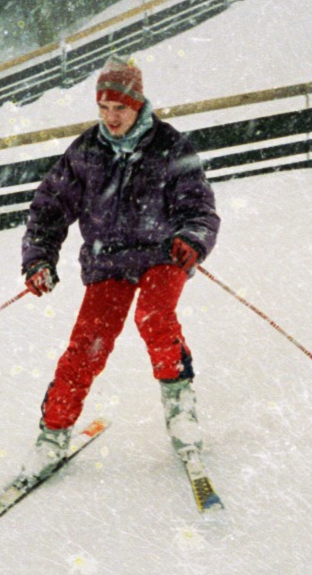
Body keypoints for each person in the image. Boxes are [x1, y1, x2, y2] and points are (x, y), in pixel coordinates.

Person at [16, 58, 220, 482]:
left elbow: (198, 205)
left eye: (120, 109)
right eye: (104, 108)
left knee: (154, 318)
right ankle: (53, 434)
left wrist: (193, 239)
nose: (111, 118)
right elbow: (49, 208)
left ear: (138, 105)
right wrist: (39, 258)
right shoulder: (86, 152)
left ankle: (181, 412)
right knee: (87, 344)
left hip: (163, 254)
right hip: (107, 258)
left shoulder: (170, 146)